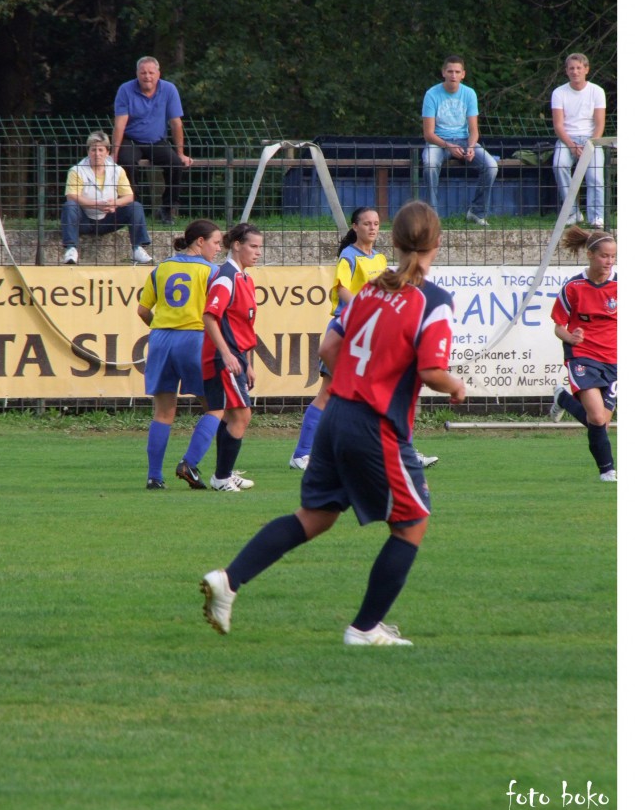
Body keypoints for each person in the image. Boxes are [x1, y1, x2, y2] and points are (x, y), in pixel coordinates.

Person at [200, 200, 466, 645]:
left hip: (337, 414)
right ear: (437, 243)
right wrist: (456, 386)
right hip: (375, 425)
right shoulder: (433, 302)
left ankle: (229, 581)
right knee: (412, 522)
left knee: (315, 516)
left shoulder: (368, 290)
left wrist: (356, 384)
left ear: (395, 242)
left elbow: (328, 348)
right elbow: (430, 372)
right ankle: (364, 629)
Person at [290, 207, 438, 471]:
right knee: (328, 394)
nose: (372, 227)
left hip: (372, 331)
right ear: (355, 227)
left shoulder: (380, 260)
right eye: (367, 223)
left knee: (390, 393)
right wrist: (365, 307)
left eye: (376, 223)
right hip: (347, 329)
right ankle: (302, 454)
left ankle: (403, 453)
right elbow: (342, 289)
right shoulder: (349, 256)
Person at [137, 220, 224, 490]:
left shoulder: (161, 268)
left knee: (163, 412)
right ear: (200, 241)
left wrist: (163, 328)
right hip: (195, 338)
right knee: (216, 407)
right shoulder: (212, 272)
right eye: (216, 242)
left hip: (160, 339)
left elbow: (142, 311)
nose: (219, 248)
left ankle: (154, 476)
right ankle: (189, 463)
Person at [549, 226, 617, 482]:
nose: (609, 261)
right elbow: (558, 326)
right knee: (597, 417)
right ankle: (607, 471)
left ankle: (563, 399)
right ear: (590, 255)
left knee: (599, 423)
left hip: (615, 360)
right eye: (604, 256)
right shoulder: (573, 287)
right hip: (583, 356)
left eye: (612, 257)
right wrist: (571, 337)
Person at [201, 223, 264, 492]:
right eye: (253, 246)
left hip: (236, 356)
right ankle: (222, 477)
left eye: (260, 247)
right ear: (236, 245)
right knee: (242, 416)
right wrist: (227, 354)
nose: (258, 252)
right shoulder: (226, 277)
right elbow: (209, 316)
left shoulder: (244, 278)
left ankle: (222, 473)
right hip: (222, 357)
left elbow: (242, 326)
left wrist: (247, 362)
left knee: (229, 417)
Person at [111, 56, 194, 225]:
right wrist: (114, 152)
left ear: (158, 74)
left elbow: (176, 123)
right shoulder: (125, 90)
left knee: (175, 164)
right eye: (143, 73)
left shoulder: (169, 89)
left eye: (151, 72)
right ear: (137, 74)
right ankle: (134, 208)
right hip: (131, 139)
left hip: (156, 140)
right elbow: (120, 125)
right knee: (126, 162)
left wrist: (181, 153)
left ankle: (167, 208)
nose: (147, 76)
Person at [421, 55, 498, 226]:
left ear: (463, 74)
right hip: (438, 142)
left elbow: (474, 130)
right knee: (430, 164)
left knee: (491, 166)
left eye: (457, 72)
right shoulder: (431, 94)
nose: (453, 75)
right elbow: (428, 134)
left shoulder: (469, 93)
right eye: (450, 71)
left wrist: (470, 146)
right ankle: (432, 217)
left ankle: (476, 212)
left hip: (464, 140)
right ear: (443, 73)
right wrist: (448, 146)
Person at [60, 130, 152, 265]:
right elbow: (71, 196)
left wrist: (115, 203)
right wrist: (95, 204)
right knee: (69, 206)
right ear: (88, 151)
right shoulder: (76, 170)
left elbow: (129, 196)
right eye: (93, 150)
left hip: (109, 218)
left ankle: (137, 248)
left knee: (135, 207)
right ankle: (71, 249)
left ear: (107, 152)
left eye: (101, 150)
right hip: (84, 219)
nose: (97, 154)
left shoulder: (117, 170)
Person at [551, 53, 607, 228]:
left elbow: (599, 123)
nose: (575, 72)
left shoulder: (597, 91)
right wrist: (572, 145)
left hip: (592, 139)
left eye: (578, 68)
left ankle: (596, 217)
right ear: (566, 71)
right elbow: (558, 125)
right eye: (571, 68)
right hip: (567, 138)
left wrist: (590, 144)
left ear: (586, 70)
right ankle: (573, 212)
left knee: (595, 175)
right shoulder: (559, 92)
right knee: (559, 165)